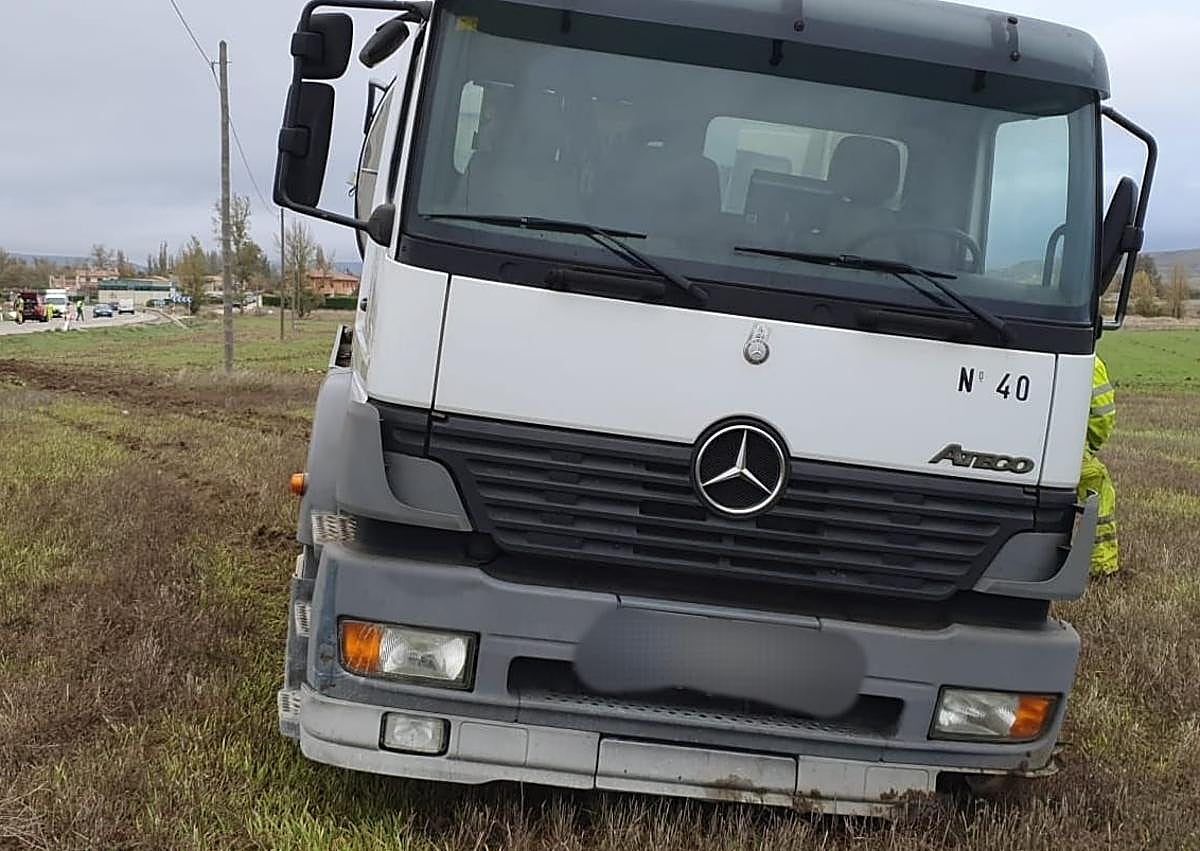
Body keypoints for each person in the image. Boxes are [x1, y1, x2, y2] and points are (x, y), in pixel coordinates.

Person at [1078, 356, 1118, 576]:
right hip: (1066, 450)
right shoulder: (1088, 362)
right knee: (1098, 488)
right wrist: (1088, 447)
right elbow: (1102, 416)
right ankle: (1103, 567)